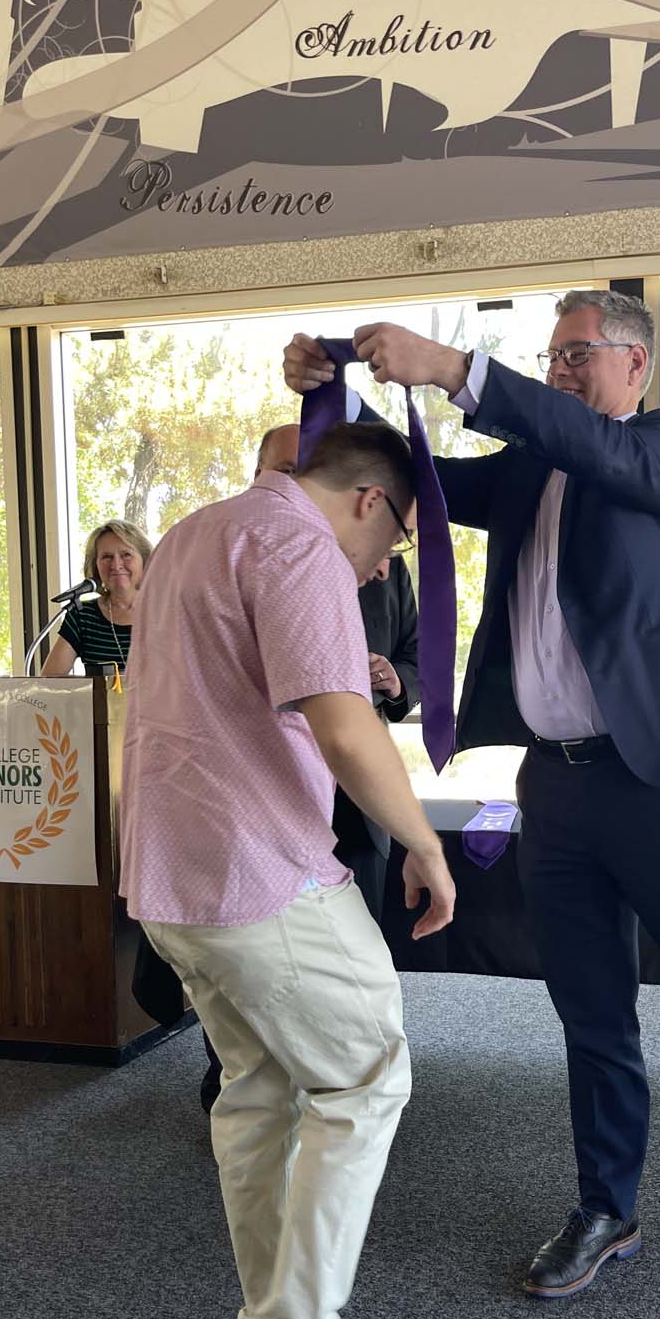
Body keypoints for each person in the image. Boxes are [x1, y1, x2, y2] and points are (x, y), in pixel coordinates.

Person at [282, 289, 660, 1298]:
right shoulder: (536, 463)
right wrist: (332, 402)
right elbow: (417, 480)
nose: (562, 371)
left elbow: (595, 449)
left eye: (578, 355)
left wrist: (455, 369)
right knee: (589, 1007)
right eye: (553, 355)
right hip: (557, 785)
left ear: (637, 365)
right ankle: (606, 1206)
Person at [120, 420, 455, 1319]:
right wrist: (424, 843)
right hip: (256, 866)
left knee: (260, 1091)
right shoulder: (305, 544)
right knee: (367, 1072)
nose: (388, 561)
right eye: (395, 538)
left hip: (171, 872)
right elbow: (343, 721)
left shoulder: (194, 530)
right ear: (367, 500)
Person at [199, 423, 421, 1115]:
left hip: (357, 795)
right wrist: (430, 844)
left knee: (357, 956)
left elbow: (418, 657)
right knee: (268, 1003)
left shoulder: (387, 565)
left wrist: (392, 681)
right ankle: (246, 1075)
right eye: (285, 471)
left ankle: (301, 1078)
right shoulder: (252, 551)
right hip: (270, 793)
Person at [42, 519, 152, 676]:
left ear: (145, 561)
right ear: (95, 565)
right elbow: (49, 681)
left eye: (126, 554)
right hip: (100, 701)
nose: (116, 565)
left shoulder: (168, 613)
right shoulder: (82, 616)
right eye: (107, 557)